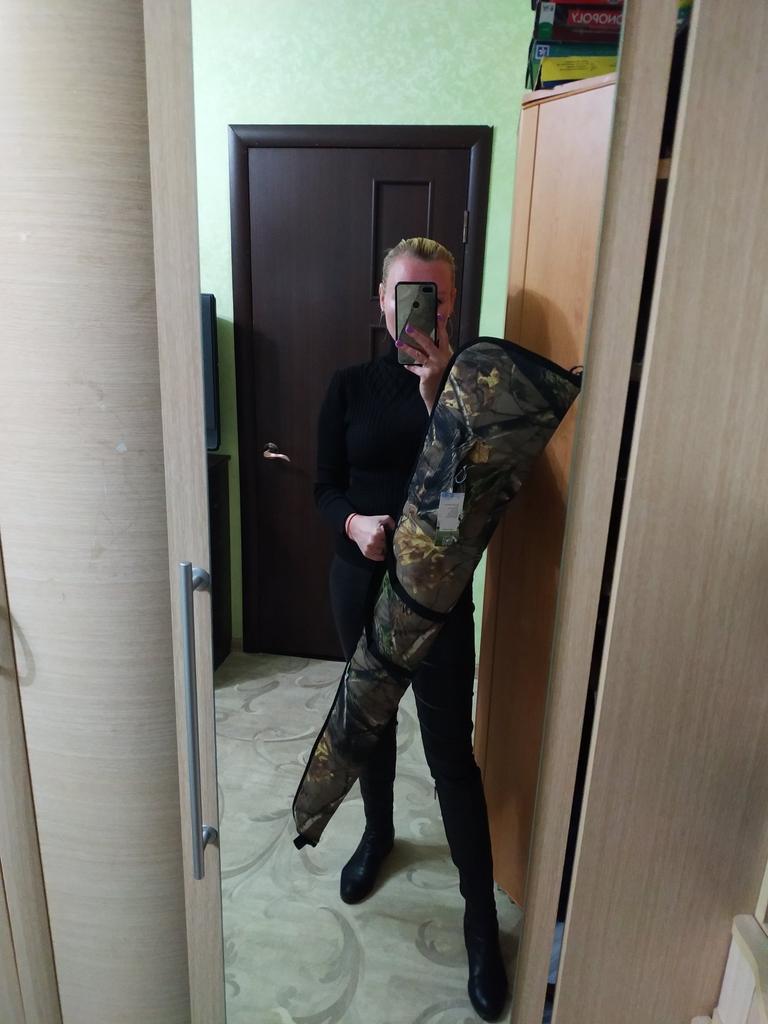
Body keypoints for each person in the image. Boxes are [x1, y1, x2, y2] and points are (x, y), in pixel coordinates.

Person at [314, 237, 507, 1021]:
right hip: (359, 580)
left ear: (450, 304)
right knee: (371, 721)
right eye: (405, 294)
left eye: (433, 295)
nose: (418, 308)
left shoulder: (470, 391)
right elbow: (325, 486)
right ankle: (379, 833)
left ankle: (480, 921)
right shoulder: (348, 386)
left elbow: (466, 505)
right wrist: (353, 522)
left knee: (451, 753)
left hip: (437, 595)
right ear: (383, 302)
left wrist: (439, 400)